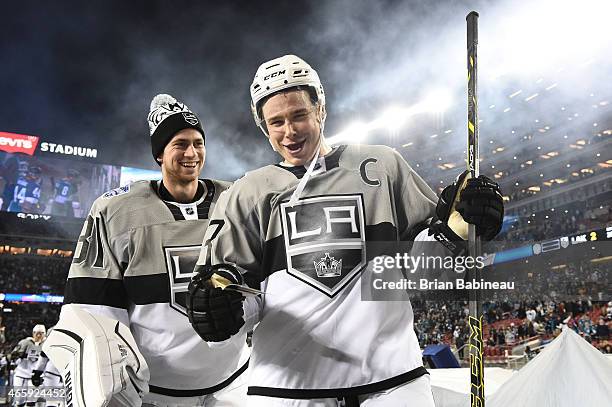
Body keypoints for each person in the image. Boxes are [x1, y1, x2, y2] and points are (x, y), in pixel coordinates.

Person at [186, 55, 504, 406]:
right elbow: (237, 294)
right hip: (289, 386)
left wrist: (458, 229)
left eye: (299, 115)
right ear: (263, 126)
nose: (289, 131)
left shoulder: (382, 164)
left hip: (392, 379)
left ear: (320, 109)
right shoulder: (248, 192)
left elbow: (420, 274)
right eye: (276, 122)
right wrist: (222, 309)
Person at [47, 94, 248, 406]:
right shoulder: (116, 210)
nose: (191, 152)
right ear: (159, 154)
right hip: (156, 394)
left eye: (198, 142)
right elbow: (91, 307)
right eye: (180, 144)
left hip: (234, 384)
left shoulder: (235, 198)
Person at [9, 324, 46, 407]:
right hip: (22, 374)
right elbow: (12, 356)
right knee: (19, 400)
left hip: (35, 376)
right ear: (33, 333)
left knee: (32, 401)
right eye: (37, 333)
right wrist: (19, 355)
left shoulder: (46, 345)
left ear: (45, 334)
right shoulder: (25, 342)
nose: (39, 335)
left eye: (41, 333)